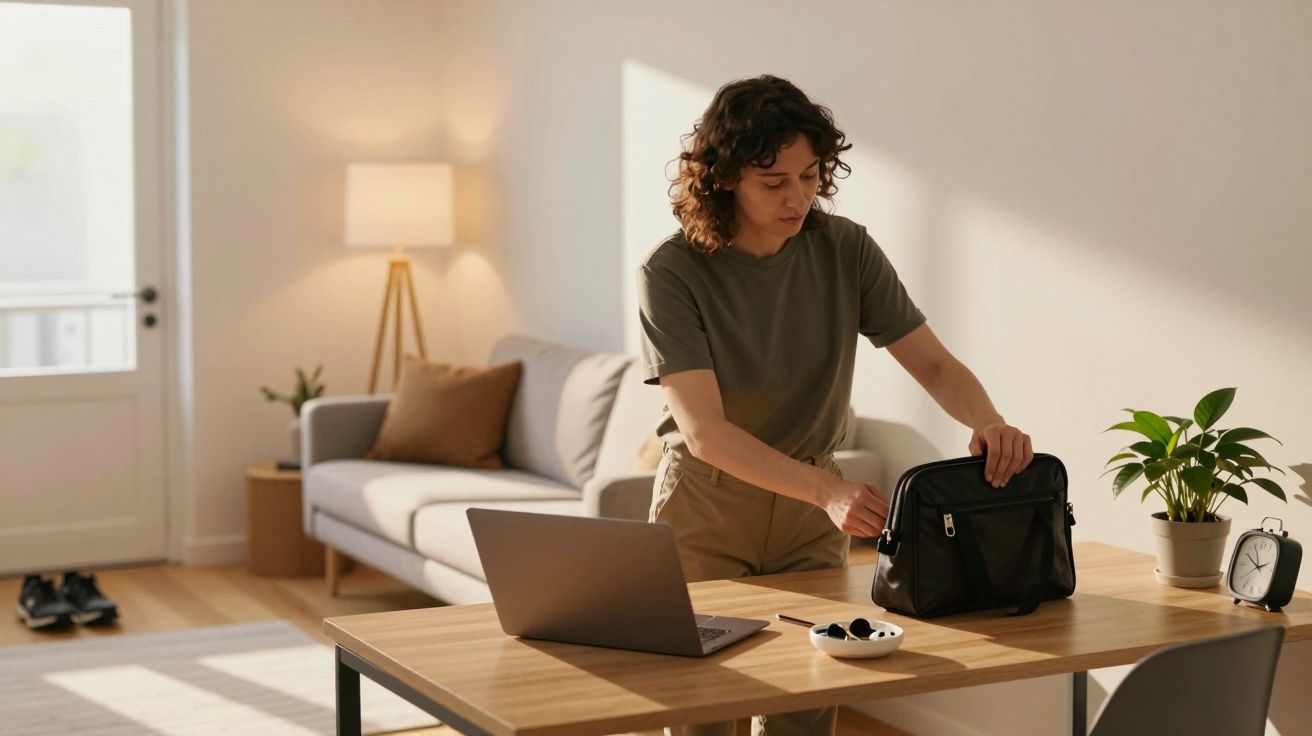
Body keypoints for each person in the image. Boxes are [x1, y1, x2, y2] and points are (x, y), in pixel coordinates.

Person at [636, 74, 1035, 736]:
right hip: (707, 508)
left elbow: (932, 362)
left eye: (811, 174)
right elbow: (704, 432)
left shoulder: (846, 250)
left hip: (806, 518)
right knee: (705, 708)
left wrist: (987, 420)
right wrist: (826, 490)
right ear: (725, 177)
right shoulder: (671, 272)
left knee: (808, 701)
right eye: (774, 182)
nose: (798, 197)